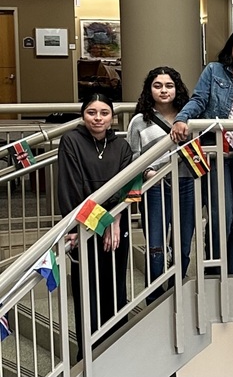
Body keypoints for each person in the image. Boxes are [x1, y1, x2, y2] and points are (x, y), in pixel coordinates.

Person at [171, 28, 233, 275]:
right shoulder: (214, 70)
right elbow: (199, 100)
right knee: (223, 215)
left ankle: (232, 274)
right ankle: (213, 272)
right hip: (215, 152)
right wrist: (182, 118)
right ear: (231, 47)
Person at [58, 94, 132, 358]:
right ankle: (88, 356)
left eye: (104, 113)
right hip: (84, 228)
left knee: (115, 288)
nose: (98, 118)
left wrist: (115, 220)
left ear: (112, 117)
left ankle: (116, 352)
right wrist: (102, 223)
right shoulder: (71, 141)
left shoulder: (122, 146)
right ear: (83, 115)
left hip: (116, 228)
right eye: (92, 112)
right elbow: (71, 188)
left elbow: (125, 188)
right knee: (87, 294)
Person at [127, 67, 196, 304]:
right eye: (157, 86)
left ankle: (178, 288)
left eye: (169, 85)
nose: (164, 90)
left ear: (177, 89)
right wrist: (147, 172)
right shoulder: (139, 120)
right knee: (155, 245)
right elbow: (132, 156)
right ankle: (154, 297)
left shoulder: (189, 117)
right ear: (149, 89)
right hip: (154, 185)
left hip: (186, 182)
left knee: (183, 242)